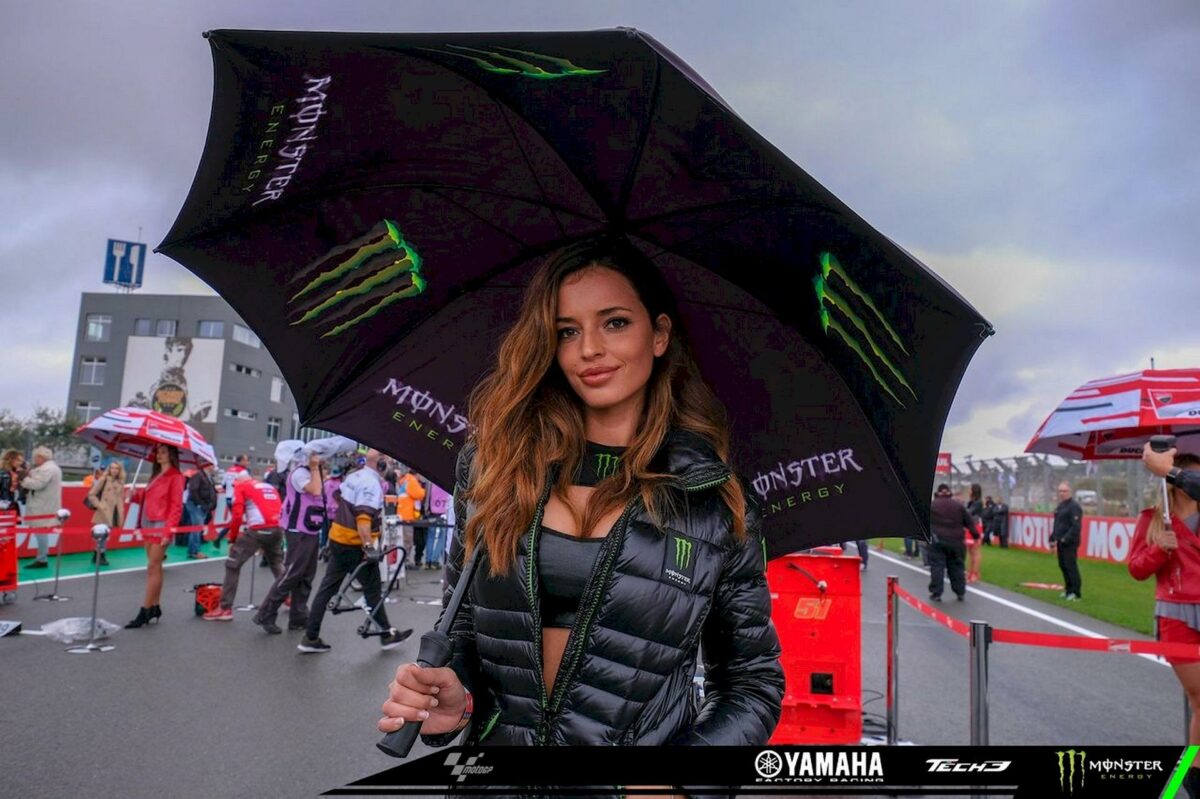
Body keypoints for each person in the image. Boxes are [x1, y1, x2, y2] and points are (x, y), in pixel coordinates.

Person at [378, 237, 784, 761]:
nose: (588, 348)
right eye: (567, 331)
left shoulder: (710, 500)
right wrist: (455, 700)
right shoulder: (494, 469)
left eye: (615, 322)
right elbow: (463, 636)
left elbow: (752, 684)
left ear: (659, 335)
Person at [1130, 451, 1200, 799]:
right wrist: (1159, 549)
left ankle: (1191, 772)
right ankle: (1191, 774)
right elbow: (1136, 569)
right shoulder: (1154, 518)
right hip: (1176, 614)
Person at [298, 449, 412, 653]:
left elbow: (337, 496)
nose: (391, 467)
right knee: (373, 590)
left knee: (327, 588)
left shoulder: (355, 476)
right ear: (381, 464)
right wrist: (369, 547)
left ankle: (310, 636)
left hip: (338, 538)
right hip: (354, 544)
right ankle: (386, 634)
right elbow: (363, 521)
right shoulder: (371, 484)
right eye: (389, 462)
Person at [252, 451, 332, 634]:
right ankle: (266, 613)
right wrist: (314, 468)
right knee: (291, 574)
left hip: (311, 528)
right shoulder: (299, 473)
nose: (322, 458)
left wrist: (316, 469)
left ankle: (298, 616)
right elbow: (316, 490)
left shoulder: (313, 472)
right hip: (298, 529)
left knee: (306, 576)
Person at [202, 471, 285, 621]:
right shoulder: (267, 486)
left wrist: (233, 538)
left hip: (258, 529)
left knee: (232, 565)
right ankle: (288, 596)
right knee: (276, 563)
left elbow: (237, 514)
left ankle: (225, 608)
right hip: (277, 528)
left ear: (237, 481)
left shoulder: (241, 487)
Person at [126, 443, 185, 627]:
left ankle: (144, 610)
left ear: (171, 455)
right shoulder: (156, 475)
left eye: (163, 452)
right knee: (155, 566)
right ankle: (154, 606)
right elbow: (148, 498)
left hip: (161, 524)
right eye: (157, 452)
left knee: (152, 566)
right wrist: (134, 495)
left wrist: (168, 531)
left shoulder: (176, 476)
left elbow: (176, 506)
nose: (159, 455)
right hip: (147, 522)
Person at [928, 483, 973, 602]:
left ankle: (936, 592)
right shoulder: (958, 506)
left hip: (937, 540)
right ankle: (960, 591)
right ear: (949, 493)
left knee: (937, 566)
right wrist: (976, 535)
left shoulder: (932, 505)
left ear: (937, 493)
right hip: (956, 541)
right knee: (957, 566)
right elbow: (969, 522)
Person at [20, 446, 63, 569]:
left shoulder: (47, 469)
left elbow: (37, 484)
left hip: (42, 505)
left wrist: (23, 478)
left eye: (36, 457)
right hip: (45, 504)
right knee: (41, 532)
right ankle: (42, 557)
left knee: (40, 532)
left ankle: (42, 558)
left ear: (41, 457)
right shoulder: (52, 468)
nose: (34, 460)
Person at [86, 460, 127, 566]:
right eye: (112, 468)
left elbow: (120, 498)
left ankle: (96, 555)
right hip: (103, 511)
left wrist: (121, 509)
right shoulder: (103, 480)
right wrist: (99, 505)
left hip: (114, 512)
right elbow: (91, 494)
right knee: (102, 535)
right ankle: (101, 556)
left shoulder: (121, 482)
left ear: (120, 470)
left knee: (106, 535)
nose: (114, 470)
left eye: (116, 468)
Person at [1049, 481, 1083, 601]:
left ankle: (1076, 592)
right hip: (1060, 541)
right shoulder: (1060, 506)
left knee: (1071, 566)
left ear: (1070, 492)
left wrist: (1065, 538)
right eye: (1060, 491)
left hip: (1070, 542)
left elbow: (1075, 526)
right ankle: (1068, 589)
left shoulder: (1074, 507)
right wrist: (1053, 537)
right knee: (1063, 566)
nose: (1062, 493)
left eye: (1064, 491)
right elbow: (1058, 524)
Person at [214, 454, 249, 548]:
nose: (247, 462)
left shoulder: (229, 470)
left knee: (235, 520)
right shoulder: (243, 472)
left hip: (228, 497)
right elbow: (247, 486)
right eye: (246, 460)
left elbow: (223, 485)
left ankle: (220, 538)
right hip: (238, 498)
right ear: (241, 461)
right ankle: (230, 539)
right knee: (239, 520)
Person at [395, 467, 427, 567]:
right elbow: (420, 494)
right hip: (407, 516)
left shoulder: (405, 479)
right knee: (407, 540)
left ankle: (404, 561)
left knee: (404, 539)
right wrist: (424, 489)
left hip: (402, 513)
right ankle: (405, 562)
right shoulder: (412, 481)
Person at [184, 462, 217, 560]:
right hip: (196, 505)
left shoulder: (207, 477)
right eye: (212, 465)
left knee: (197, 528)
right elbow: (193, 491)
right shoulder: (198, 476)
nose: (214, 467)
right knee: (197, 528)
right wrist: (201, 504)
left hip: (202, 505)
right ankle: (195, 551)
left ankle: (192, 550)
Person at [0, 449, 26, 514]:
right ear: (11, 460)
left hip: (11, 505)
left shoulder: (15, 473)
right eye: (18, 460)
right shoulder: (2, 473)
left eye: (21, 461)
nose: (20, 463)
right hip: (3, 507)